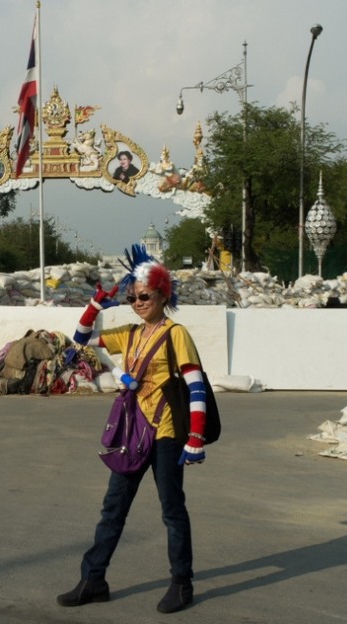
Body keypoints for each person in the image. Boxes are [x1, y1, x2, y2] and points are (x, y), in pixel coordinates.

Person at [57, 244, 206, 614]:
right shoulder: (130, 334)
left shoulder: (176, 334)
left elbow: (197, 386)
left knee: (172, 510)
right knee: (113, 509)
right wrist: (94, 306)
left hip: (168, 433)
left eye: (145, 296)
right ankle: (94, 580)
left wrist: (196, 437)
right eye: (132, 298)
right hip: (132, 434)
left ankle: (181, 583)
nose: (138, 303)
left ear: (162, 295)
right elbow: (77, 344)